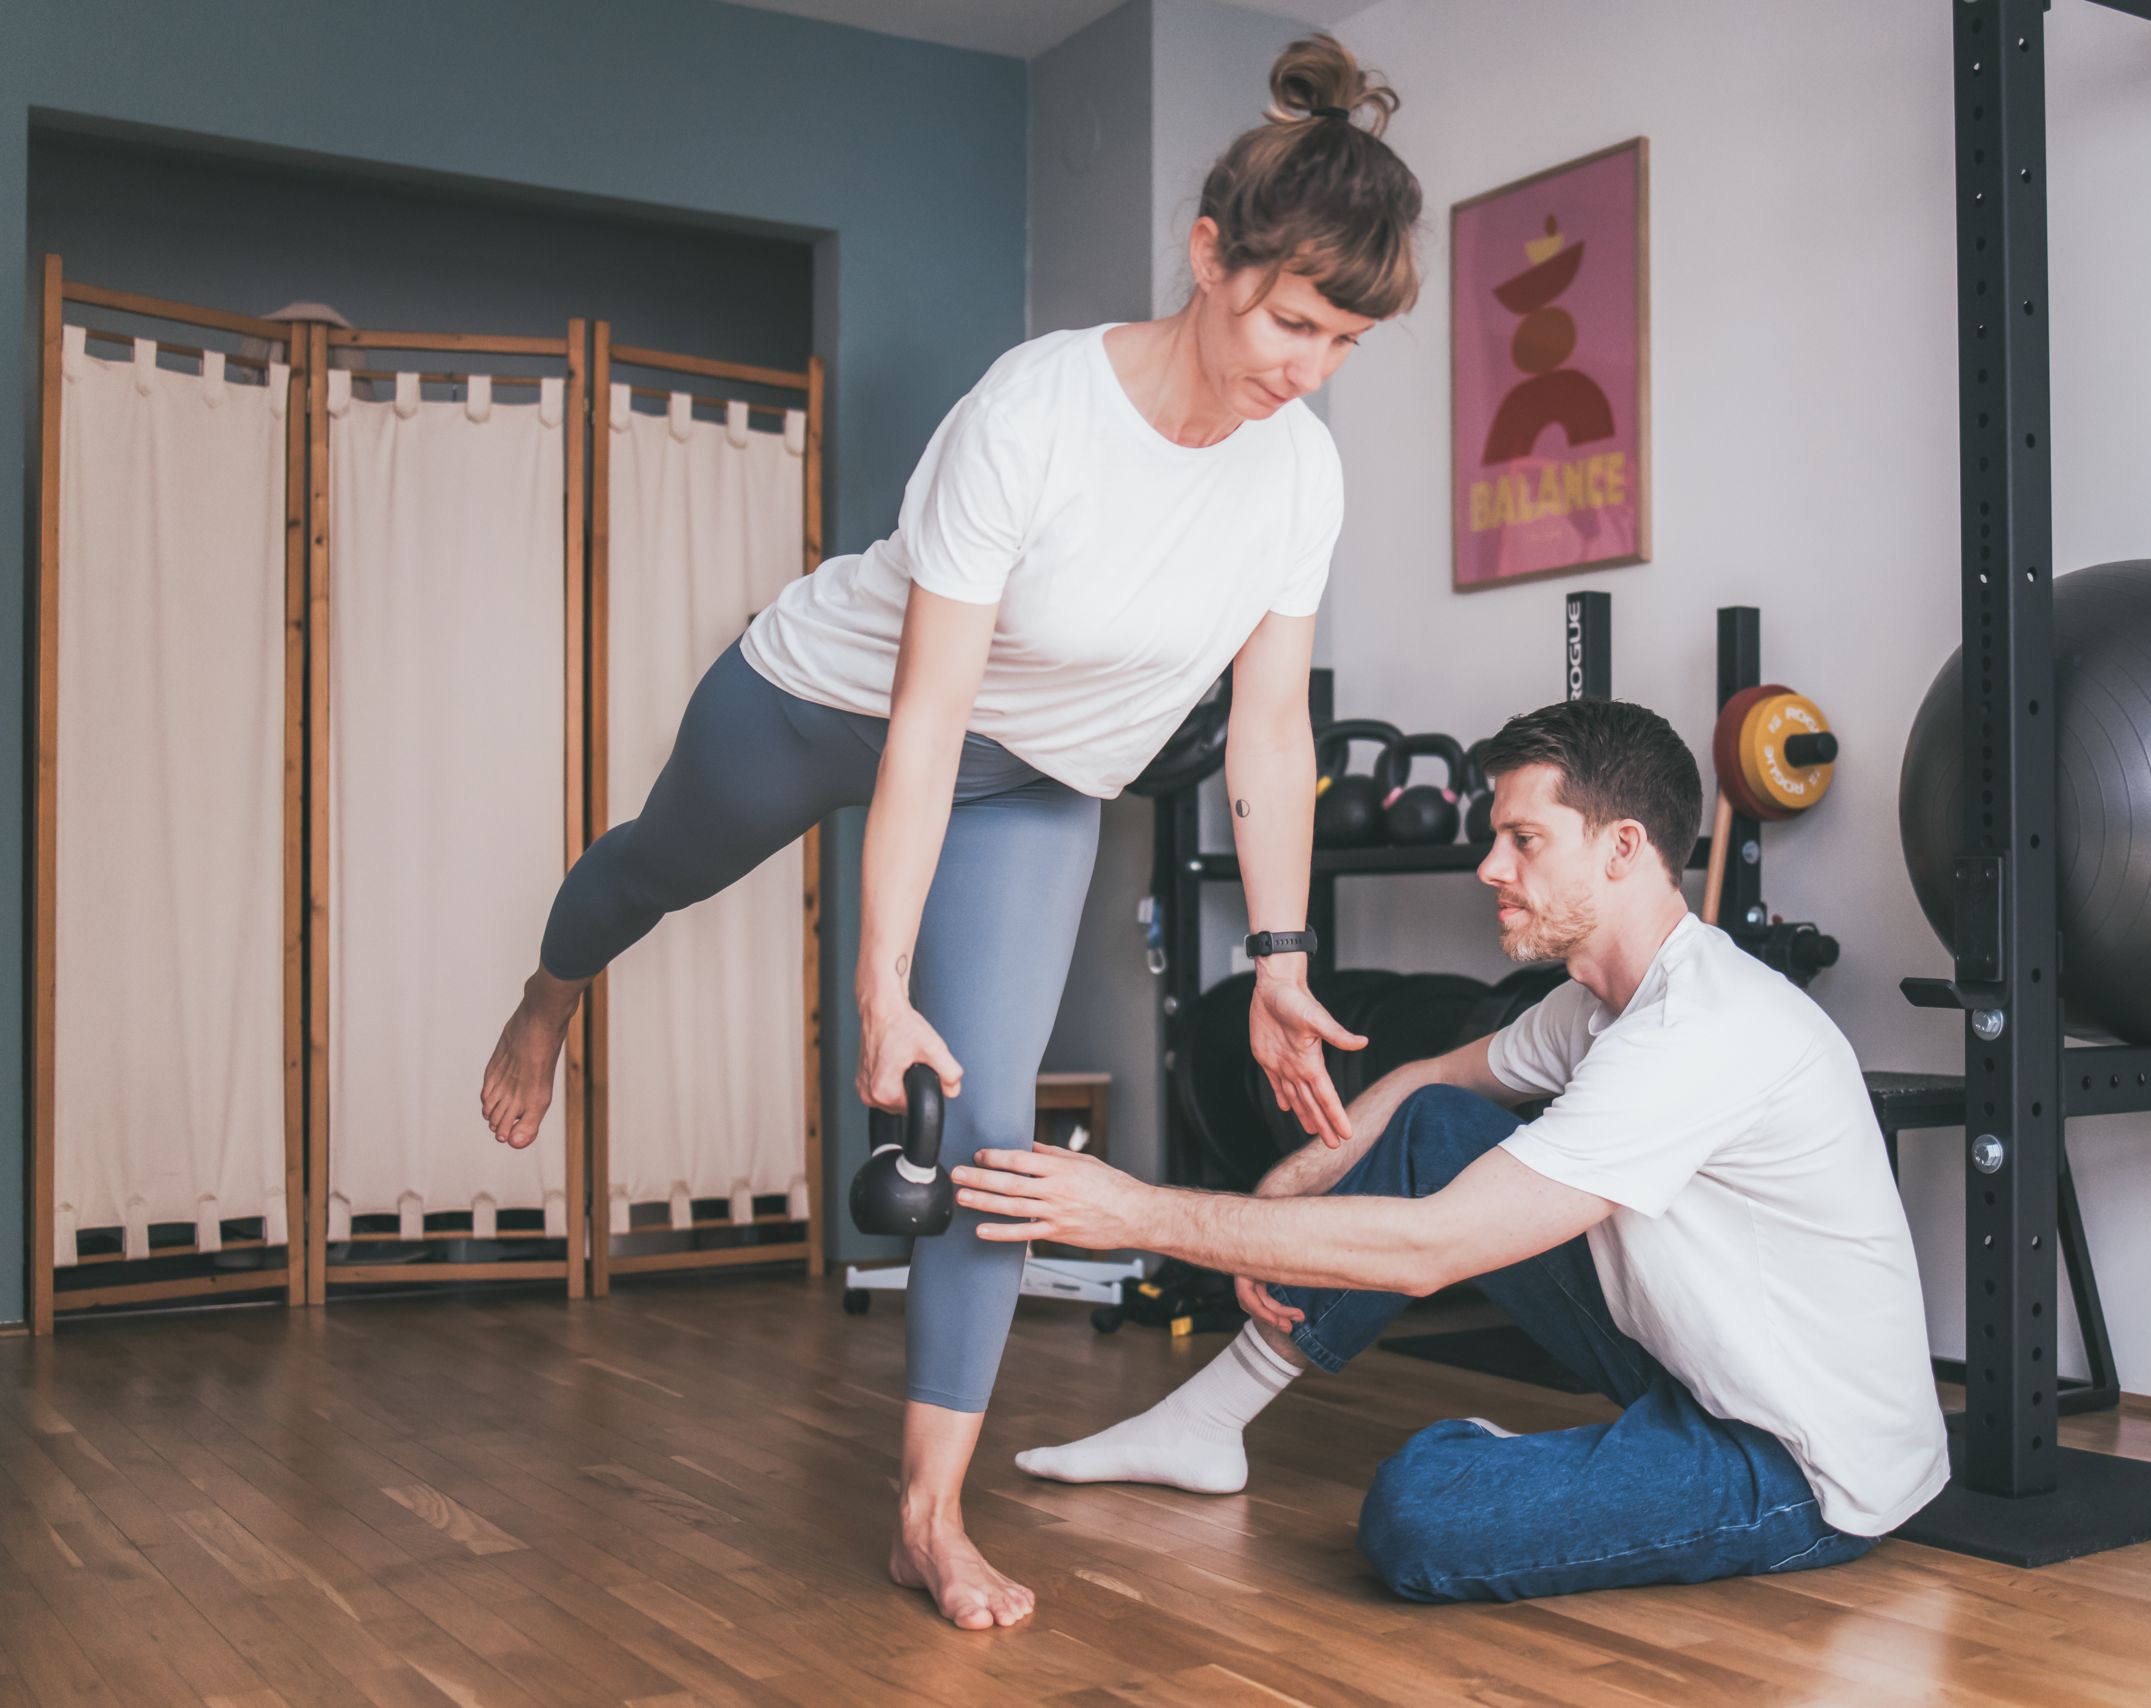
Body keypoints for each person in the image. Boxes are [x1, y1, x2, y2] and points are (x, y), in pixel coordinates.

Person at [474, 36, 1423, 1631]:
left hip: (1045, 776)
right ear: (1210, 256)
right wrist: (879, 977)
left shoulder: (1298, 475)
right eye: (1288, 320)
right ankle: (552, 989)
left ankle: (929, 1511)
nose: (1305, 368)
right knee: (658, 865)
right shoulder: (1038, 411)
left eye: (1342, 341)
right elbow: (925, 717)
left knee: (978, 1136)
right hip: (832, 701)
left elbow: (1271, 724)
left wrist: (1280, 953)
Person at [958, 699, 1952, 1603]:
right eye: (1493, 839)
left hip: (1805, 1464)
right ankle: (1205, 1422)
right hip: (1705, 1370)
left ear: (1622, 847)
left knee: (1420, 1516)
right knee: (1431, 1126)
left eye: (1522, 839)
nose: (1489, 866)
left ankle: (1562, 1471)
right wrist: (1293, 1181)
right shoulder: (1595, 1005)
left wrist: (1135, 1210)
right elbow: (1428, 1081)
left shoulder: (1699, 1030)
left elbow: (1434, 1248)